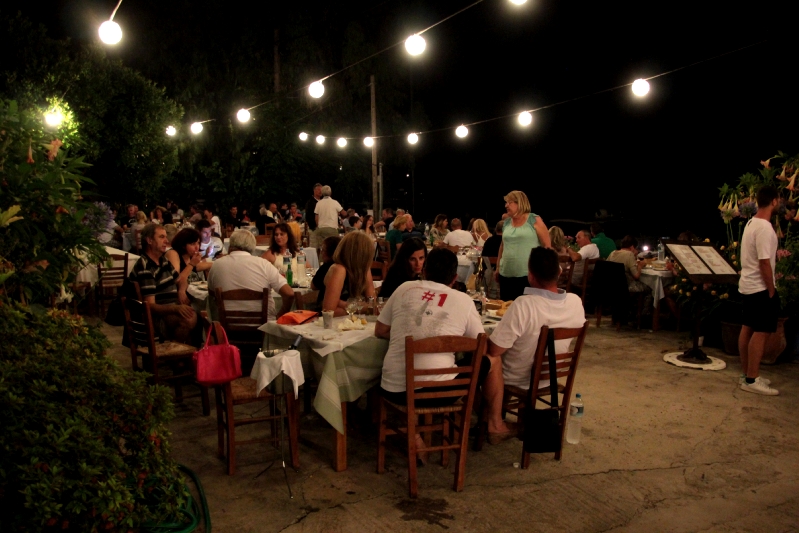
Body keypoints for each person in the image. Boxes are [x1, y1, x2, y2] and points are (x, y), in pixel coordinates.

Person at [482, 247, 586, 443]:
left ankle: (492, 421)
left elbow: (495, 349)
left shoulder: (524, 305)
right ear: (559, 272)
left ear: (530, 275)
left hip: (517, 377)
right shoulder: (575, 302)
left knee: (487, 358)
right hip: (551, 377)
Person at [375, 247, 486, 406]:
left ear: (424, 271)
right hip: (437, 394)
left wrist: (407, 334)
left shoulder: (404, 288)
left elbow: (380, 330)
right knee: (488, 360)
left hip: (393, 391)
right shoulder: (464, 300)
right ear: (455, 278)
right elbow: (482, 348)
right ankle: (490, 417)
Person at [738, 185, 780, 396]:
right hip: (760, 287)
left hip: (748, 284)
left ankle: (747, 373)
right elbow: (765, 262)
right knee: (761, 332)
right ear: (774, 201)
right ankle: (751, 379)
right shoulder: (764, 227)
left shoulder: (751, 223)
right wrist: (771, 290)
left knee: (747, 328)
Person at [128, 224, 197, 343]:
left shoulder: (163, 260)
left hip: (170, 308)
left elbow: (180, 279)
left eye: (166, 237)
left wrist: (181, 290)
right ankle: (176, 350)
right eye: (161, 237)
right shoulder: (146, 267)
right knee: (189, 319)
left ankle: (184, 350)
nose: (166, 241)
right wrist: (174, 308)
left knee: (199, 314)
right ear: (149, 240)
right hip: (156, 316)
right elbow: (150, 306)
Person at [207, 230, 294, 323]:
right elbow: (289, 293)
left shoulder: (216, 265)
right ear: (252, 247)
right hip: (264, 328)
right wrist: (280, 316)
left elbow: (211, 295)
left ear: (231, 245)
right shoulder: (263, 265)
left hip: (227, 328)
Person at [495, 190, 552, 300]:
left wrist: (545, 271)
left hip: (528, 275)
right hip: (505, 273)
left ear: (519, 203)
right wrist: (498, 267)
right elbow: (503, 246)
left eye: (509, 202)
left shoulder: (534, 220)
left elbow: (547, 246)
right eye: (506, 202)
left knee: (527, 307)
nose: (506, 205)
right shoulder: (506, 223)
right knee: (506, 307)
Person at [321, 231, 376, 316]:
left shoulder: (364, 269)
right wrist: (359, 308)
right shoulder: (339, 269)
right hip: (327, 322)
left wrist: (343, 304)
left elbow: (372, 305)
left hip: (348, 320)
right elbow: (329, 311)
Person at [312, 236, 342, 310]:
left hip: (324, 310)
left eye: (323, 250)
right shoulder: (346, 266)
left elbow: (313, 286)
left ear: (330, 252)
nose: (321, 252)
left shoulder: (327, 267)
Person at [305, 183, 323, 247]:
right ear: (314, 190)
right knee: (314, 248)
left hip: (322, 229)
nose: (320, 191)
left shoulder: (323, 202)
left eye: (321, 190)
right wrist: (314, 226)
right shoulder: (310, 203)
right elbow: (308, 216)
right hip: (314, 229)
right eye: (319, 190)